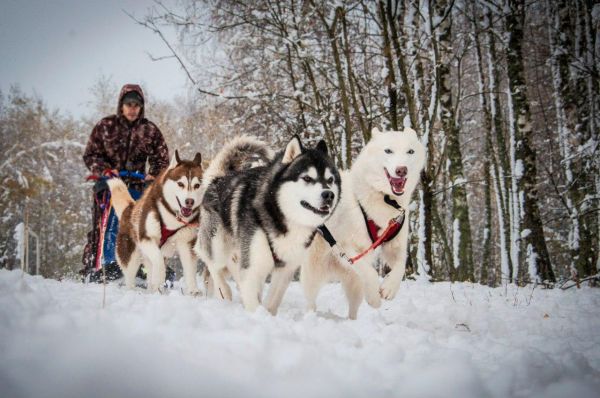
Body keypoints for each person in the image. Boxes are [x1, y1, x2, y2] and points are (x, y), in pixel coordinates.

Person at [80, 84, 170, 282]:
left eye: (136, 105)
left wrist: (154, 175)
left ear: (141, 107)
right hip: (111, 186)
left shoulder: (150, 130)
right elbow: (91, 154)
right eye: (128, 104)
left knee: (144, 226)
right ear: (121, 105)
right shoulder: (106, 126)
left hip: (139, 187)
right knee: (110, 224)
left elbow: (162, 158)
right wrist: (105, 170)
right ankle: (107, 263)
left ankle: (145, 266)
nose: (132, 109)